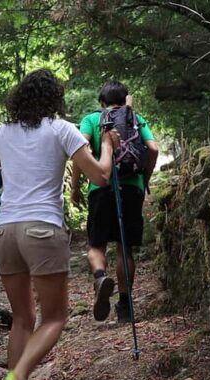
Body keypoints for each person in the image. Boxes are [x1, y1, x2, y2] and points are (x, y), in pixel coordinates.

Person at [0, 69, 117, 380]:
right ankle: (17, 379)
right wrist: (108, 146)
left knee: (21, 317)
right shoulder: (61, 129)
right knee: (54, 317)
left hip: (5, 231)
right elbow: (101, 177)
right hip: (42, 229)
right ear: (55, 99)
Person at [71, 81, 159, 323]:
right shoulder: (135, 118)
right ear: (124, 99)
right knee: (124, 247)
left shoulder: (92, 119)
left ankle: (100, 277)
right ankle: (125, 305)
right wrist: (145, 178)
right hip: (132, 187)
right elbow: (152, 149)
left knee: (96, 245)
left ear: (102, 102)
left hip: (100, 186)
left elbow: (79, 147)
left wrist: (76, 185)